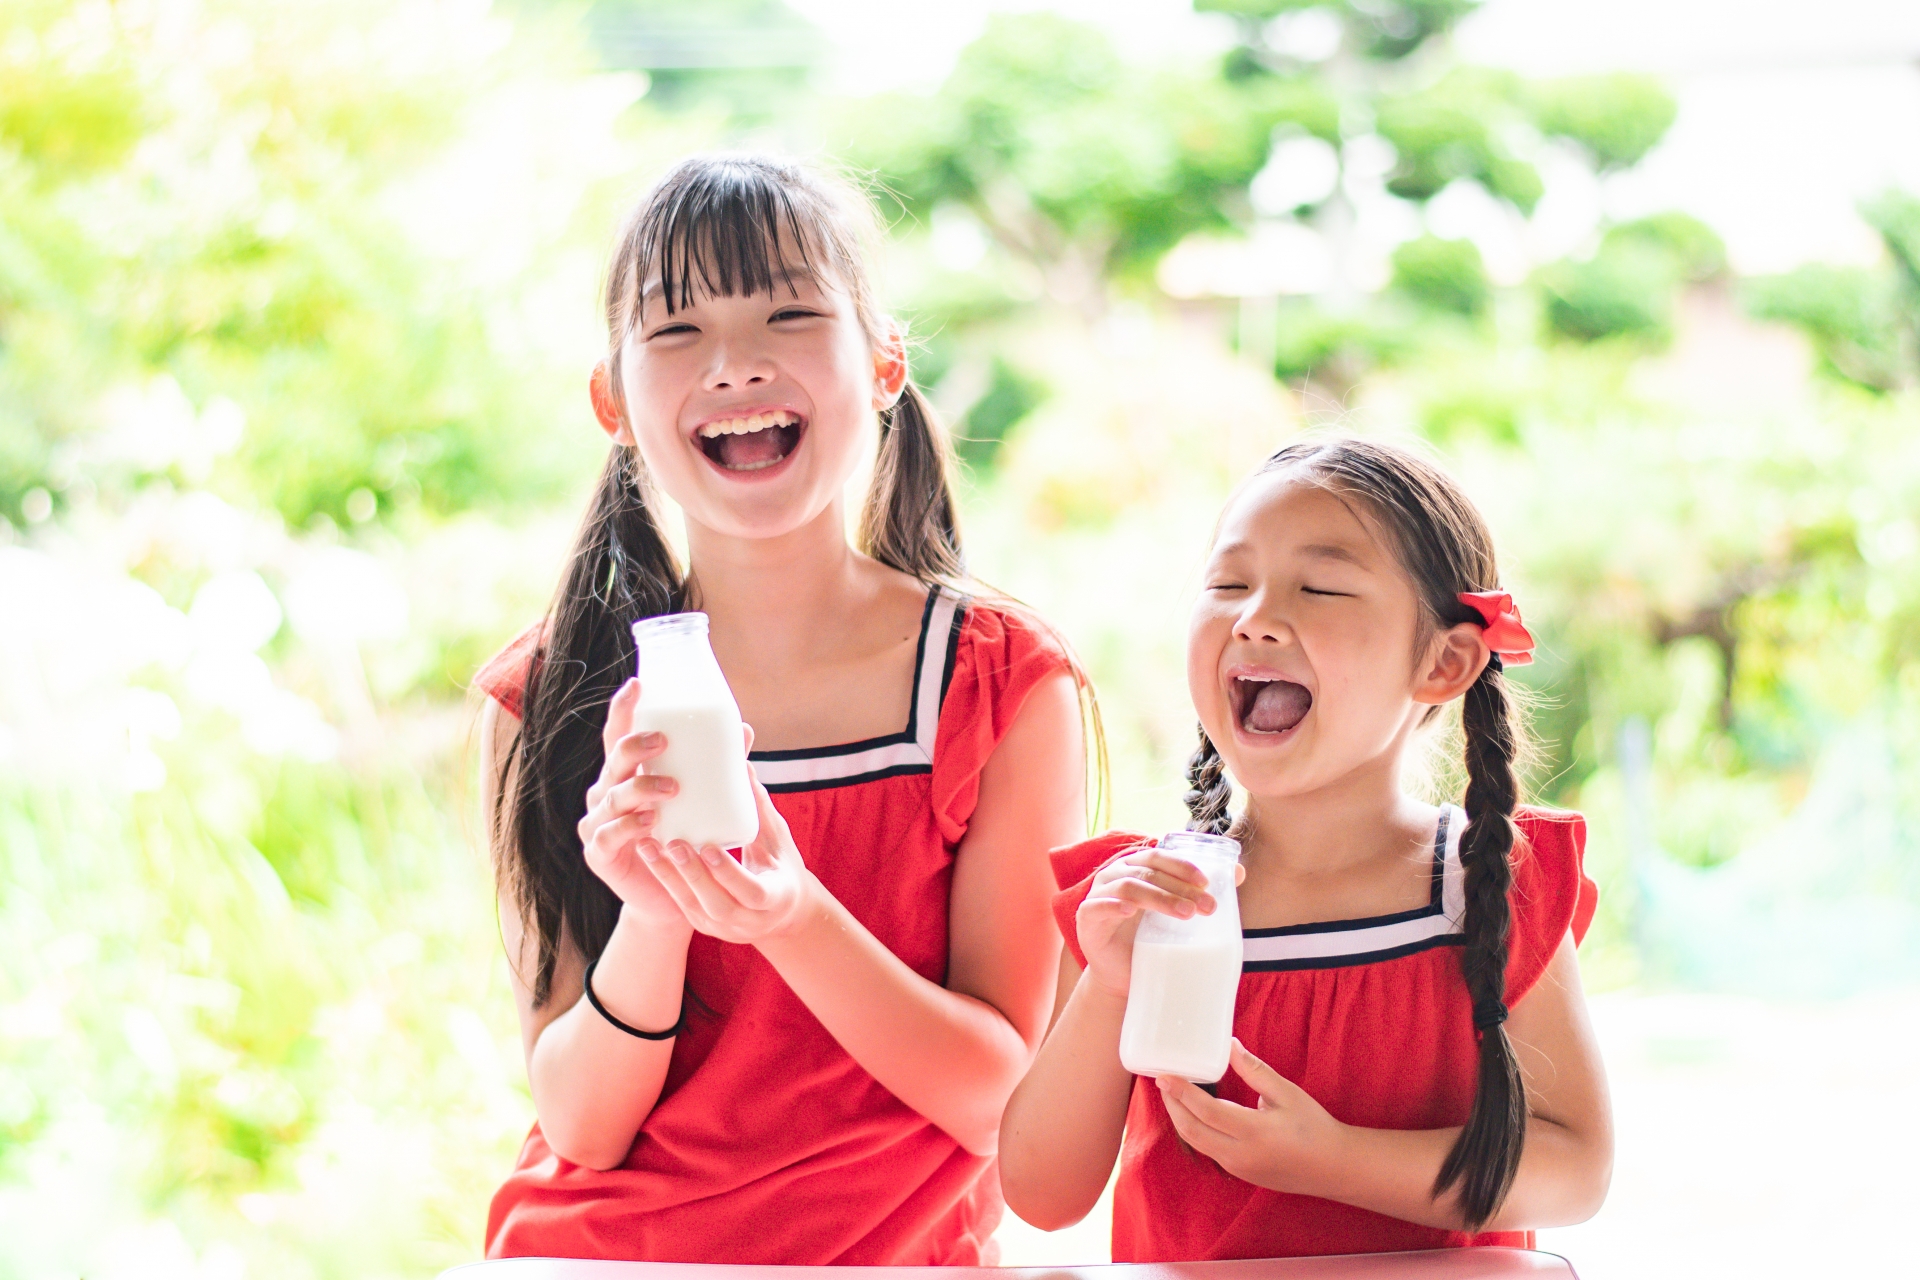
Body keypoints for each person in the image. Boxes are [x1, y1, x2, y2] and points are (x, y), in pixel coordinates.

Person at [474, 154, 1087, 1264]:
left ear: (885, 362)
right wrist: (657, 910)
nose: (736, 364)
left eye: (790, 314)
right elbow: (581, 1126)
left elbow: (1001, 1104)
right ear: (614, 402)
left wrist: (792, 916)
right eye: (677, 330)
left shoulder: (1000, 684)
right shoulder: (549, 697)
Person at [1000, 437, 1612, 1259]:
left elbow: (1575, 1166)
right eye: (1228, 584)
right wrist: (1110, 984)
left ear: (1445, 661)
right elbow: (1040, 1194)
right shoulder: (1146, 902)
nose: (1253, 618)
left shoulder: (1493, 884)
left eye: (1319, 587)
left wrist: (1333, 1161)